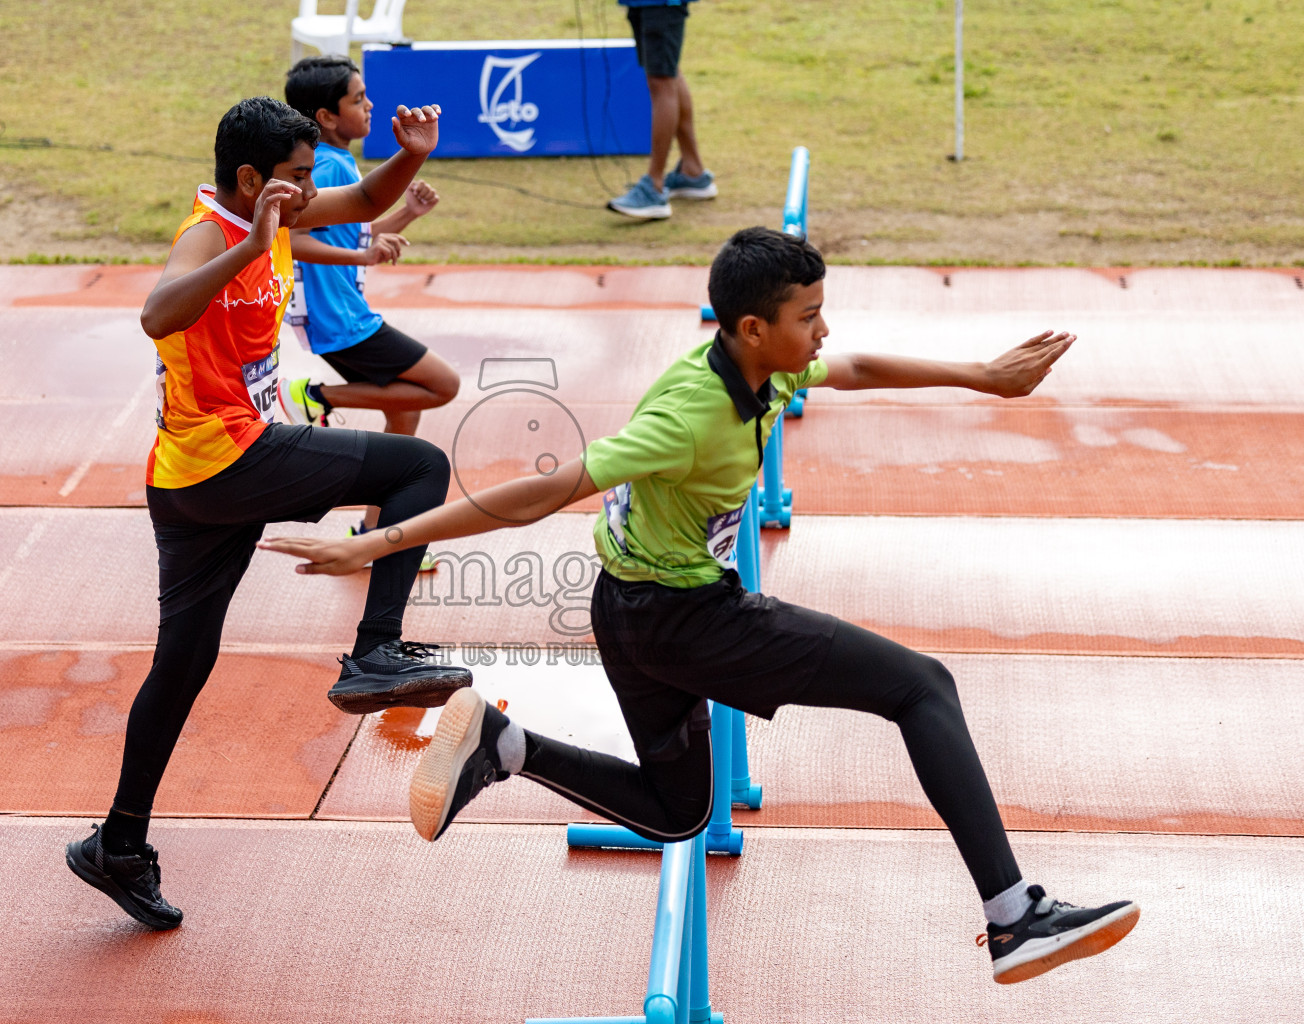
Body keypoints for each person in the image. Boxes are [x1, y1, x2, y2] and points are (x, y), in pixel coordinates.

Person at [260, 227, 1141, 985]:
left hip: (630, 612)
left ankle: (505, 743)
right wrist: (373, 544)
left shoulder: (763, 367)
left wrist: (983, 376)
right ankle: (1014, 913)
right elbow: (545, 490)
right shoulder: (691, 415)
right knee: (922, 687)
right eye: (809, 317)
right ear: (755, 327)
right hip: (684, 621)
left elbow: (858, 364)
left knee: (677, 810)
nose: (824, 330)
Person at [65, 95, 471, 932]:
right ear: (248, 180)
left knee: (181, 666)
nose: (304, 192)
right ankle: (375, 654)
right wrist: (251, 243)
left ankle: (118, 845)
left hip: (190, 481)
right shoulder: (211, 233)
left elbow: (359, 205)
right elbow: (155, 314)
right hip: (226, 460)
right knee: (419, 467)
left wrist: (412, 159)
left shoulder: (273, 209)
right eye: (292, 180)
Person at [281, 56, 460, 560]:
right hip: (341, 321)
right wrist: (361, 255)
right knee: (442, 385)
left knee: (405, 414)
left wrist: (408, 213)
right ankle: (316, 397)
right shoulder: (329, 165)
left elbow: (351, 229)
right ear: (327, 117)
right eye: (357, 100)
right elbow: (294, 239)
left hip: (339, 316)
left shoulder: (334, 161)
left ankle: (374, 534)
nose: (370, 106)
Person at [608, 0, 716, 221]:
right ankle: (692, 170)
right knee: (667, 72)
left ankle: (654, 188)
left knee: (662, 80)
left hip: (660, 4)